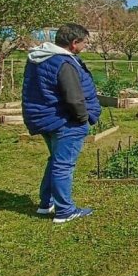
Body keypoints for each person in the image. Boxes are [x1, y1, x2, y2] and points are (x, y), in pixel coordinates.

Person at [22, 23, 101, 224]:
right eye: (85, 43)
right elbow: (74, 97)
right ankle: (64, 210)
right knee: (63, 165)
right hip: (65, 120)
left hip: (46, 117)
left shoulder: (40, 58)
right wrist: (83, 118)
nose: (85, 46)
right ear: (74, 43)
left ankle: (45, 203)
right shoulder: (64, 63)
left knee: (55, 160)